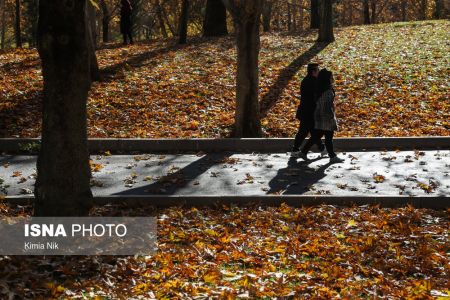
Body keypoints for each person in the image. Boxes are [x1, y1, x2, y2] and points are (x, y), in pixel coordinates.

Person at [299, 68, 344, 163]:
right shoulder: (327, 91)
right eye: (331, 76)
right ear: (327, 78)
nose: (333, 78)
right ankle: (332, 156)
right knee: (328, 137)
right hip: (326, 117)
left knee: (317, 135)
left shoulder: (320, 88)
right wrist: (331, 118)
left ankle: (304, 151)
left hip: (319, 115)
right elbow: (326, 106)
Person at [291, 63, 326, 158]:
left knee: (313, 132)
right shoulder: (314, 82)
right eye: (318, 70)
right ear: (313, 71)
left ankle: (322, 149)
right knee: (306, 132)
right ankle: (296, 150)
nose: (319, 72)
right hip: (310, 112)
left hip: (306, 111)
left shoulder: (305, 81)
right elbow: (316, 97)